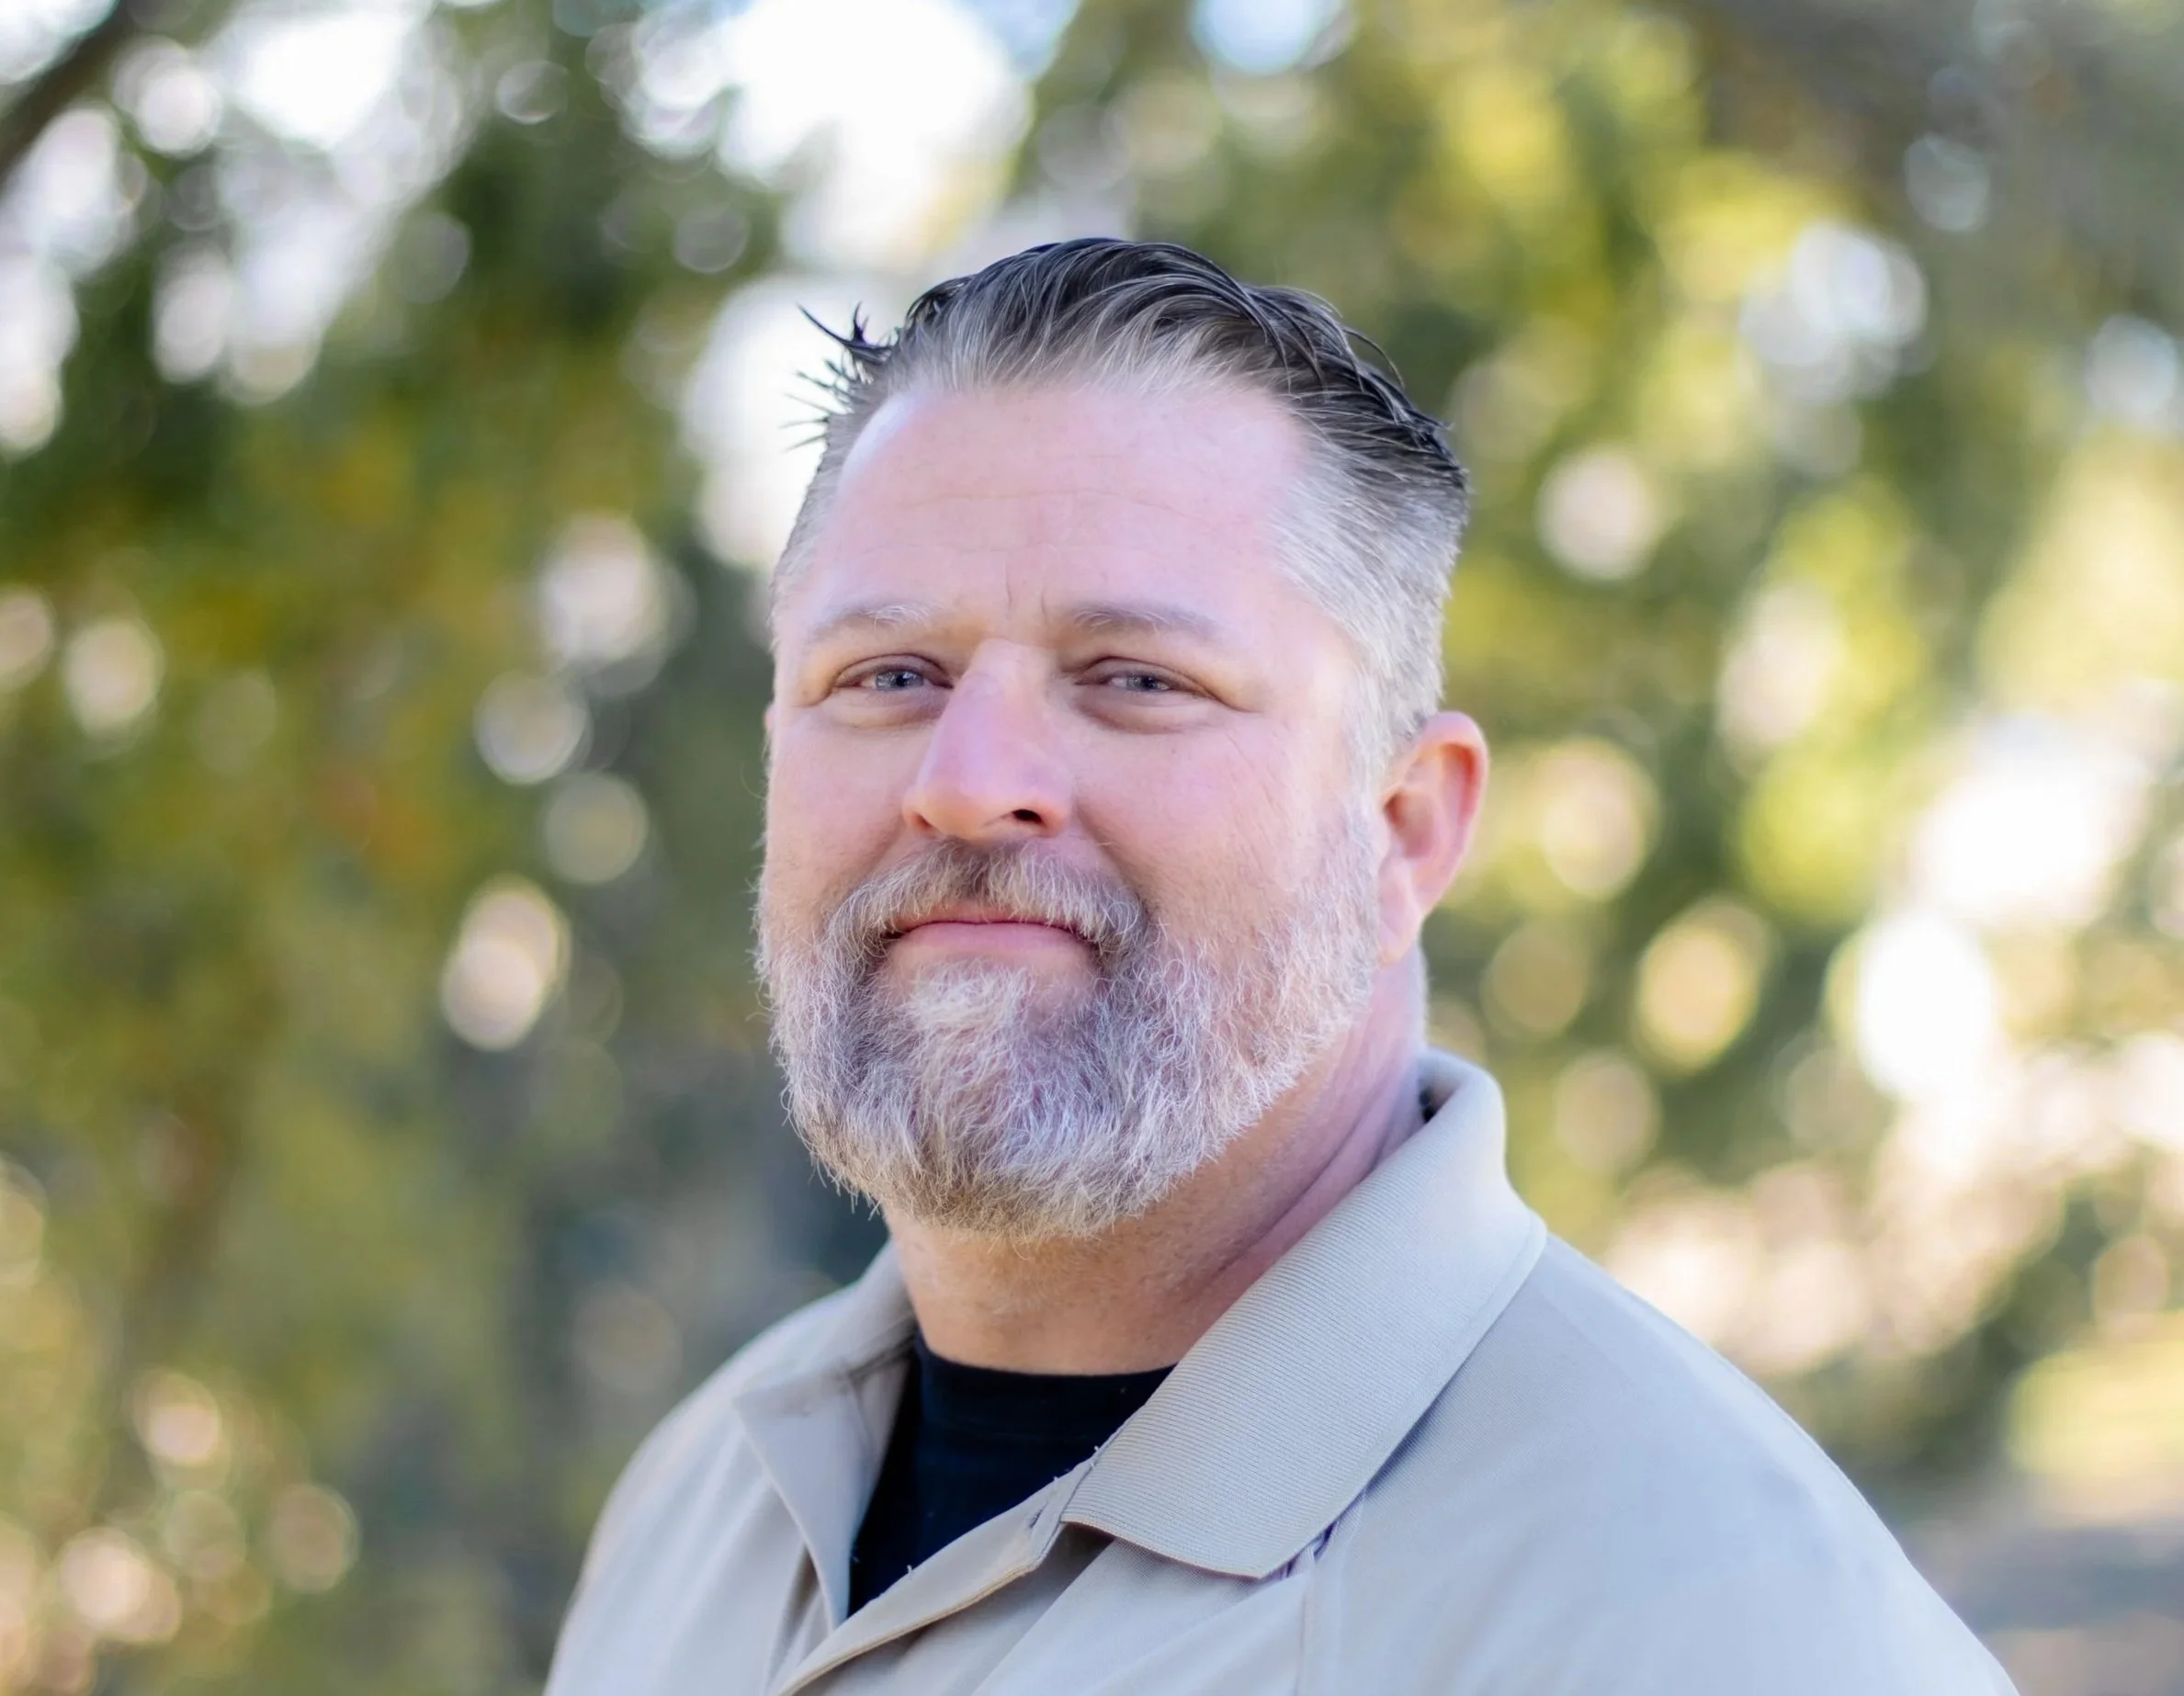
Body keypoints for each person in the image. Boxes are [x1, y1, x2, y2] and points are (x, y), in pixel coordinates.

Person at [544, 238, 2015, 1695]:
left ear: (1406, 832)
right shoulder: (700, 1503)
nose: (967, 779)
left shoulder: (1706, 1623)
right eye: (888, 678)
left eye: (1136, 680)